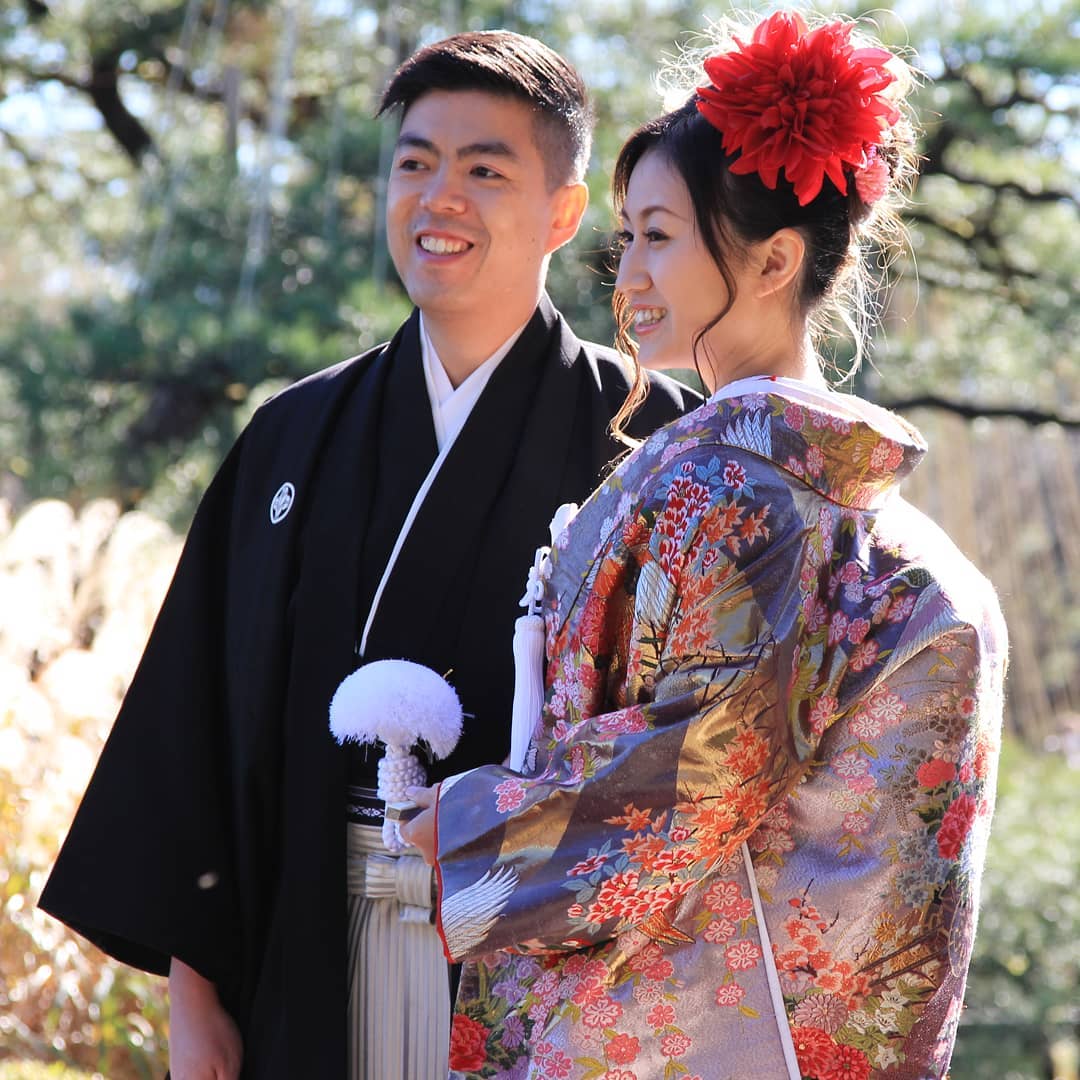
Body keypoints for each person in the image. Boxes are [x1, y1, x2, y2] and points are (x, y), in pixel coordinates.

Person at [38, 30, 697, 1080]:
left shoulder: (652, 437)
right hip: (308, 962)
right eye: (414, 163)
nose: (440, 196)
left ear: (564, 215)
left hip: (553, 992)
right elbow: (196, 723)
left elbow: (693, 752)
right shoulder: (292, 436)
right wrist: (195, 1004)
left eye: (486, 170)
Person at [404, 11, 1008, 1079]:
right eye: (626, 235)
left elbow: (702, 773)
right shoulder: (868, 519)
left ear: (774, 259)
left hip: (686, 1027)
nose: (625, 270)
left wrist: (467, 833)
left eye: (661, 235)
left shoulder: (736, 487)